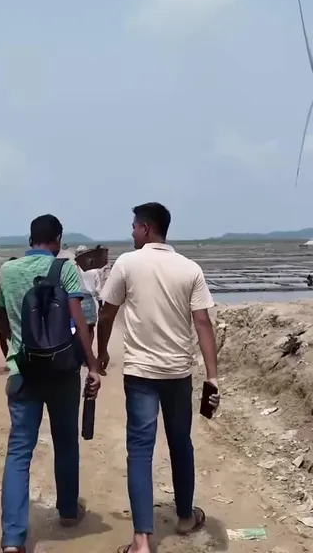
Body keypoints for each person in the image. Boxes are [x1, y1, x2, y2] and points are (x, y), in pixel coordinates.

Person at [96, 202, 220, 553]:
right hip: (178, 373)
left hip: (140, 374)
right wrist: (212, 377)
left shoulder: (127, 264)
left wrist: (102, 352)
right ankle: (185, 516)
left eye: (134, 226)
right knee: (181, 443)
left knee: (139, 451)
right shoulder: (190, 268)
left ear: (146, 228)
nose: (132, 231)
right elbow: (202, 323)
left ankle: (141, 541)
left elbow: (107, 314)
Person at [0, 215, 102, 553]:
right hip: (62, 373)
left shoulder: (7, 271)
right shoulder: (65, 268)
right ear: (57, 239)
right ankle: (68, 511)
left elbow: (2, 324)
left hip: (23, 372)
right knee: (66, 442)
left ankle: (13, 539)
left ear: (30, 239)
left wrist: (12, 352)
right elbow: (80, 321)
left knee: (19, 452)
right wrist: (92, 365)